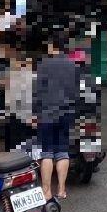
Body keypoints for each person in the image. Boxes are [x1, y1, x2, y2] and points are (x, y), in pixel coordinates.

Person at [33, 34, 80, 201]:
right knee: (62, 151)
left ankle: (46, 192)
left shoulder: (43, 65)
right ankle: (61, 189)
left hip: (47, 113)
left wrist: (35, 112)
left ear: (53, 47)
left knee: (47, 152)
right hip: (66, 113)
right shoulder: (73, 65)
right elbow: (76, 93)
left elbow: (37, 92)